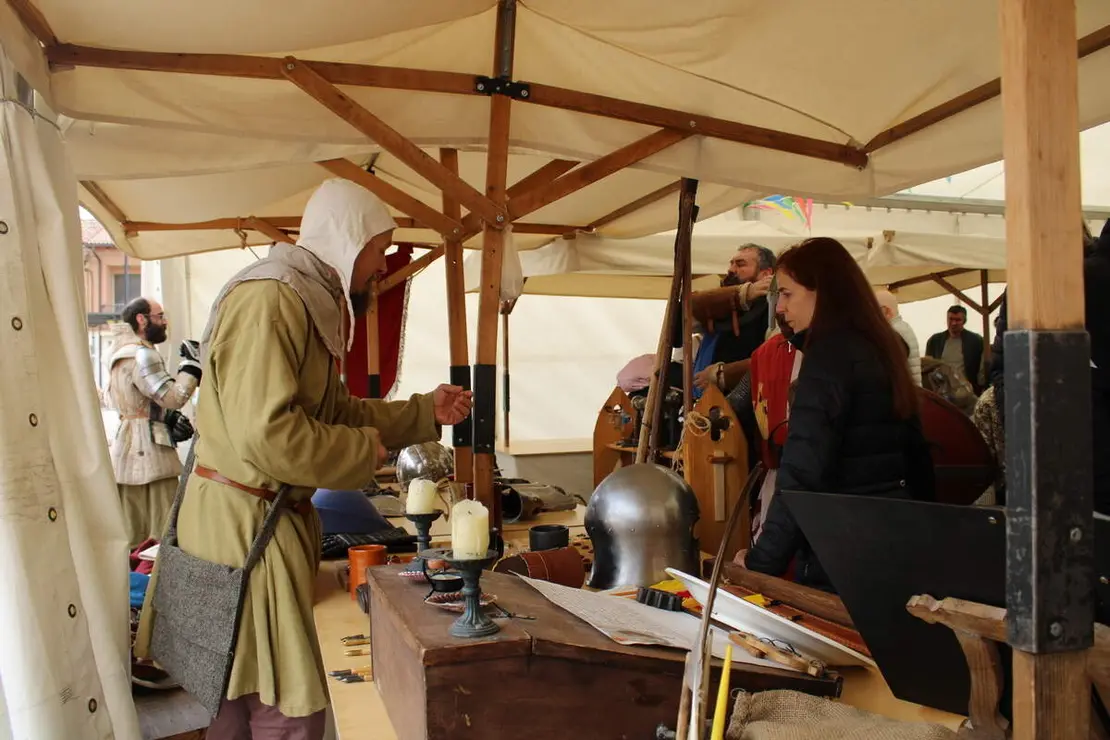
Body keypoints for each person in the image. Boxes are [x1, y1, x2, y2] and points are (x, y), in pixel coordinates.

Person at [135, 178, 474, 739]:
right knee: (284, 708)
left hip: (259, 522)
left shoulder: (302, 296)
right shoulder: (269, 300)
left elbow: (335, 410)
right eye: (378, 249)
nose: (382, 264)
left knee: (239, 695)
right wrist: (360, 451)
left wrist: (422, 411)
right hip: (243, 528)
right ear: (350, 239)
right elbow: (267, 435)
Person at [740, 237, 935, 591]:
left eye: (788, 294)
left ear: (823, 292)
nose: (780, 307)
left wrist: (760, 565)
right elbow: (918, 457)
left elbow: (801, 476)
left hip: (842, 551)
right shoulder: (883, 349)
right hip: (896, 539)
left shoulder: (829, 358)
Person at [105, 297, 201, 548]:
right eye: (159, 316)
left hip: (125, 448)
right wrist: (192, 367)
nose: (164, 321)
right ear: (141, 319)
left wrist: (164, 416)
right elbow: (174, 397)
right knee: (163, 531)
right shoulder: (142, 354)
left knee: (131, 534)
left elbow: (127, 399)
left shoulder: (116, 352)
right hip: (151, 450)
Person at [727, 312, 801, 542]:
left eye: (787, 296)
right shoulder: (766, 353)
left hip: (803, 473)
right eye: (781, 297)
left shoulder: (830, 350)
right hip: (783, 469)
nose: (781, 307)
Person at [692, 244, 776, 396]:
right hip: (705, 401)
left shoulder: (773, 309)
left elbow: (773, 360)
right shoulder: (717, 308)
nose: (731, 270)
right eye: (731, 264)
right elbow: (686, 312)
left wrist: (722, 374)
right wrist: (742, 294)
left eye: (740, 264)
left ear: (766, 274)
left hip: (746, 402)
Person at [925, 305, 984, 394]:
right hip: (941, 390)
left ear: (964, 321)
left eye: (957, 320)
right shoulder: (935, 341)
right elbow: (928, 365)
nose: (953, 323)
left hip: (967, 391)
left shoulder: (976, 341)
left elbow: (982, 369)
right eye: (951, 319)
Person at [875, 289, 922, 385]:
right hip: (912, 387)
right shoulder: (903, 327)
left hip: (904, 388)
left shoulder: (894, 332)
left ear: (886, 310)